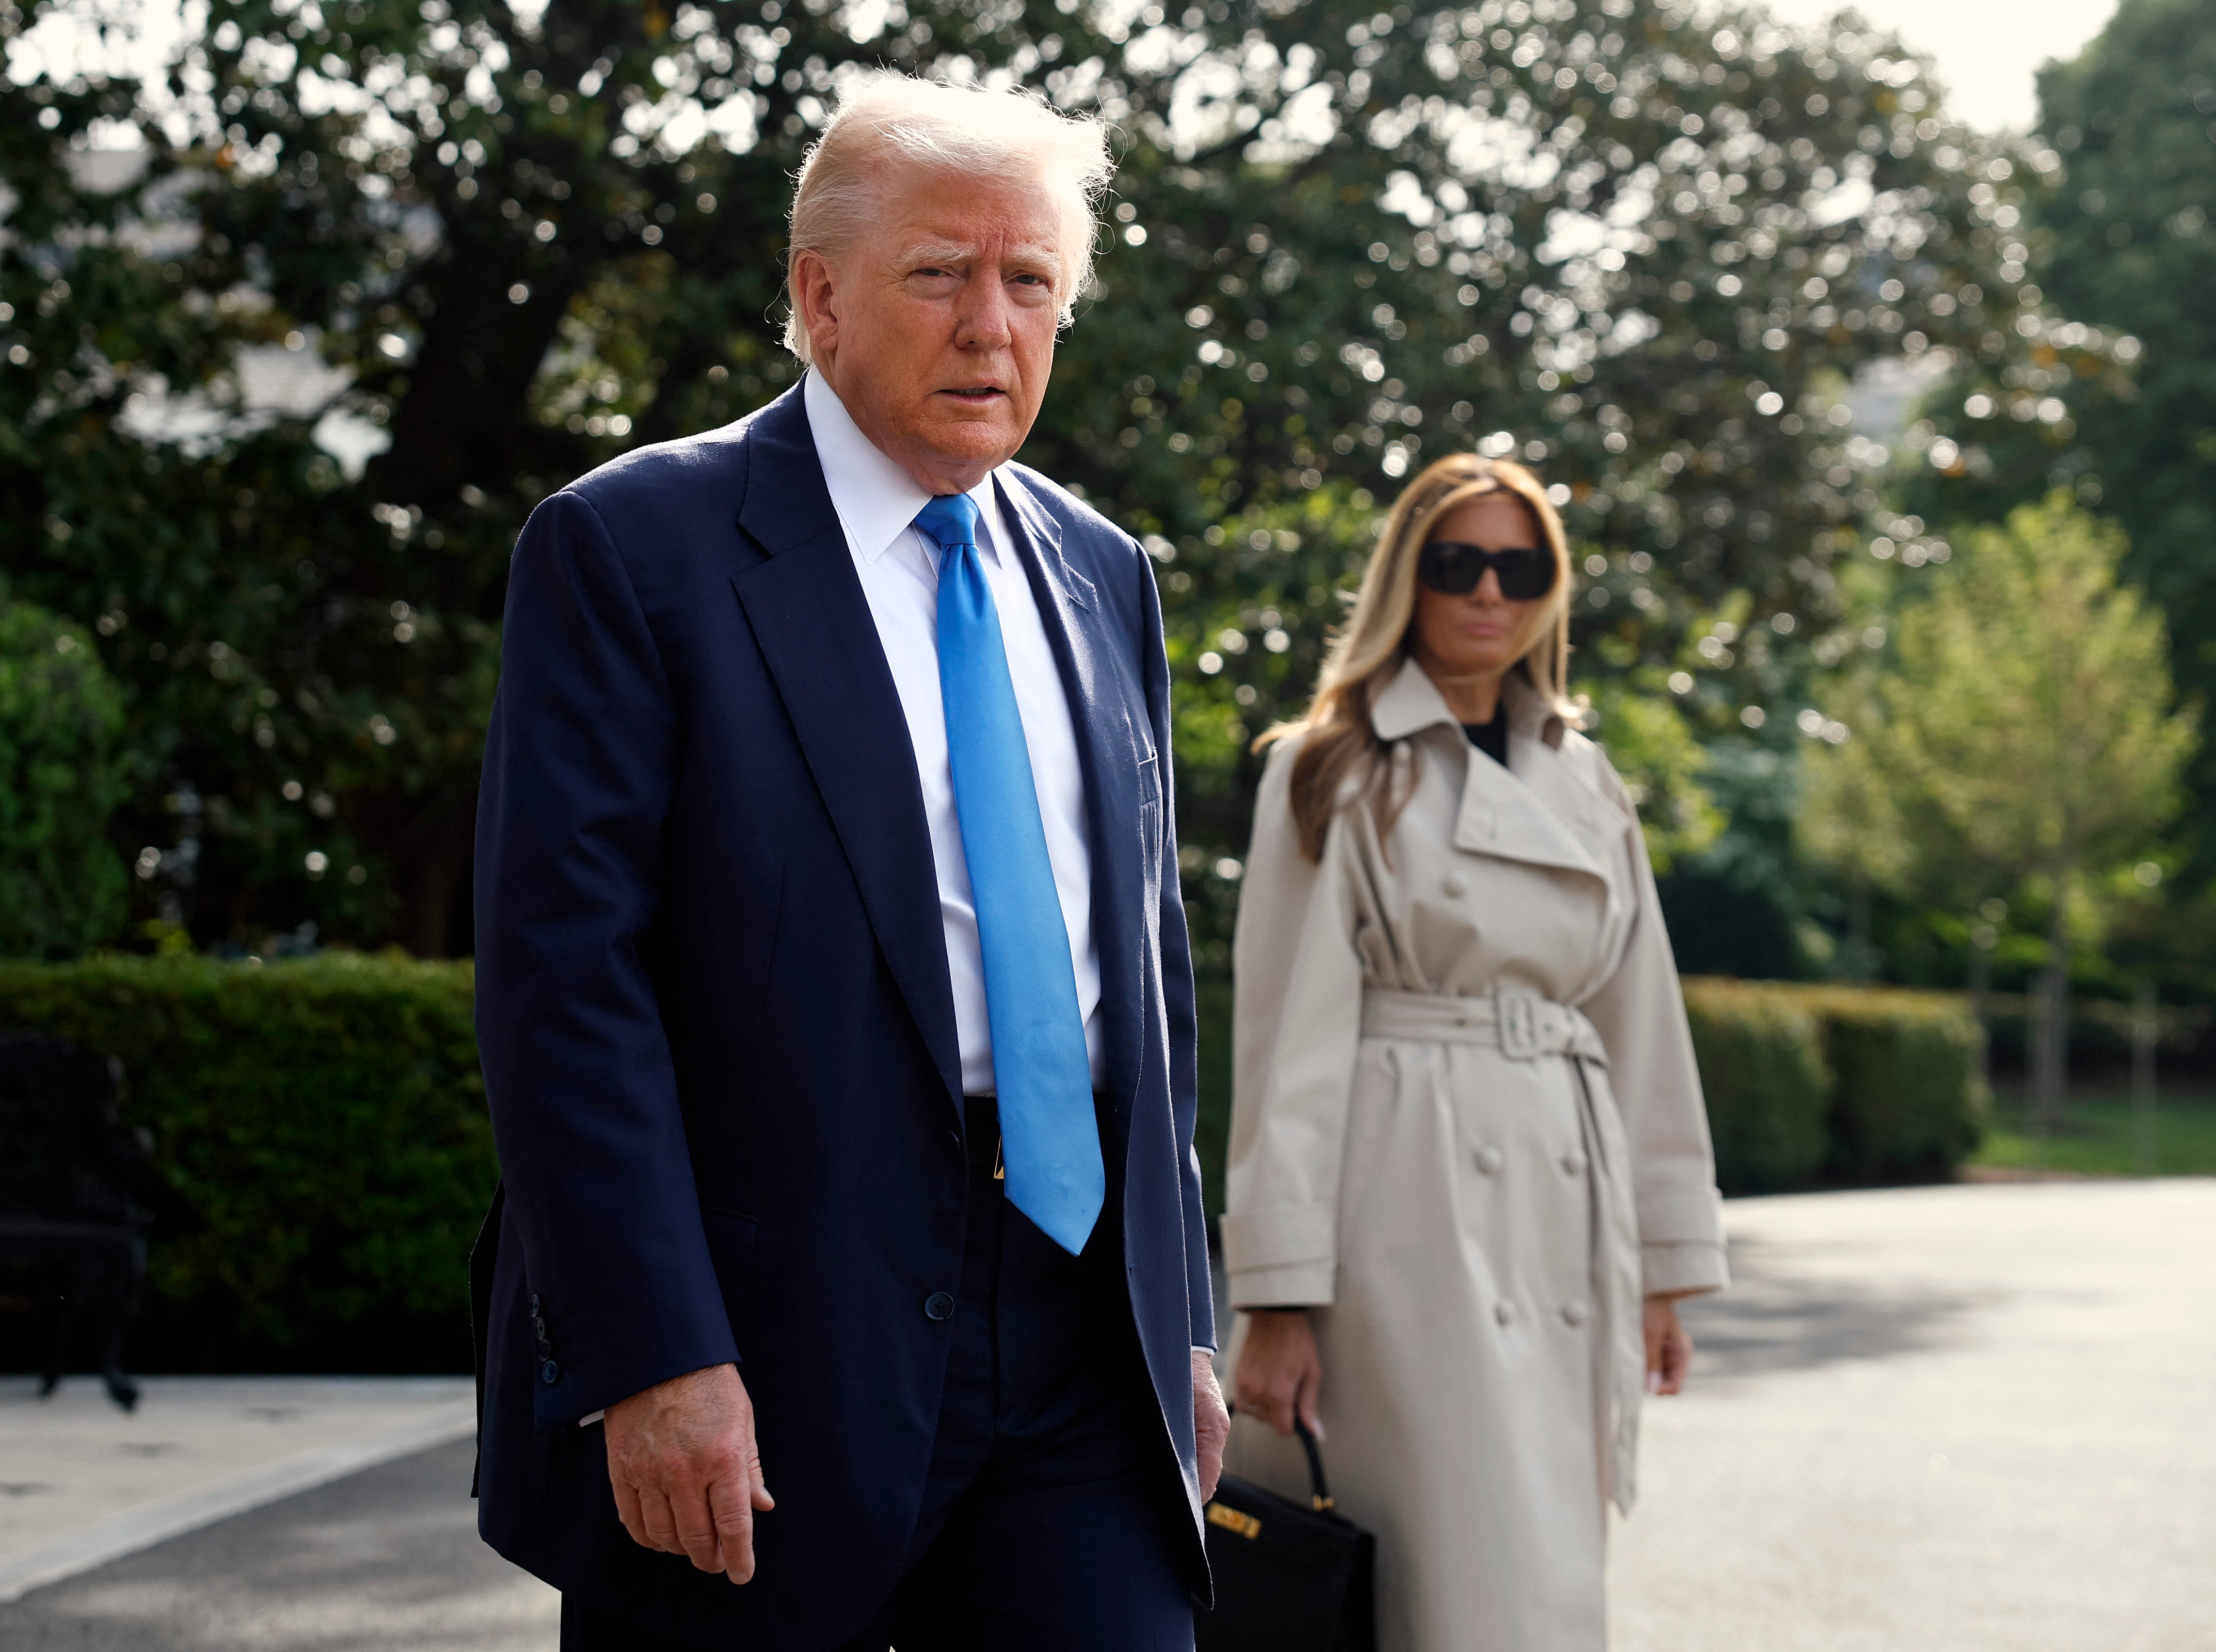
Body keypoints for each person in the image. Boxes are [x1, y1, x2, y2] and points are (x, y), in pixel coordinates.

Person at [468, 73, 1225, 1652]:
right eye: (938, 273)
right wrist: (649, 1352)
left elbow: (1142, 971)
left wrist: (1185, 1318)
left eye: (1029, 282)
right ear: (817, 299)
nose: (988, 326)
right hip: (769, 1317)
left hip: (1080, 1323)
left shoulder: (1101, 571)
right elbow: (565, 986)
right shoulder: (633, 548)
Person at [1221, 452, 1728, 1651]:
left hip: (1563, 1195)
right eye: (1458, 564)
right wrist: (1278, 1301)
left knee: (1536, 1568)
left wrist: (1663, 1265)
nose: (1489, 592)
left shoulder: (1586, 777)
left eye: (1521, 565)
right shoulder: (1333, 763)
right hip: (1402, 1215)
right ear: (1411, 577)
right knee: (1436, 1574)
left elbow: (1638, 1022)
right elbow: (1286, 1048)